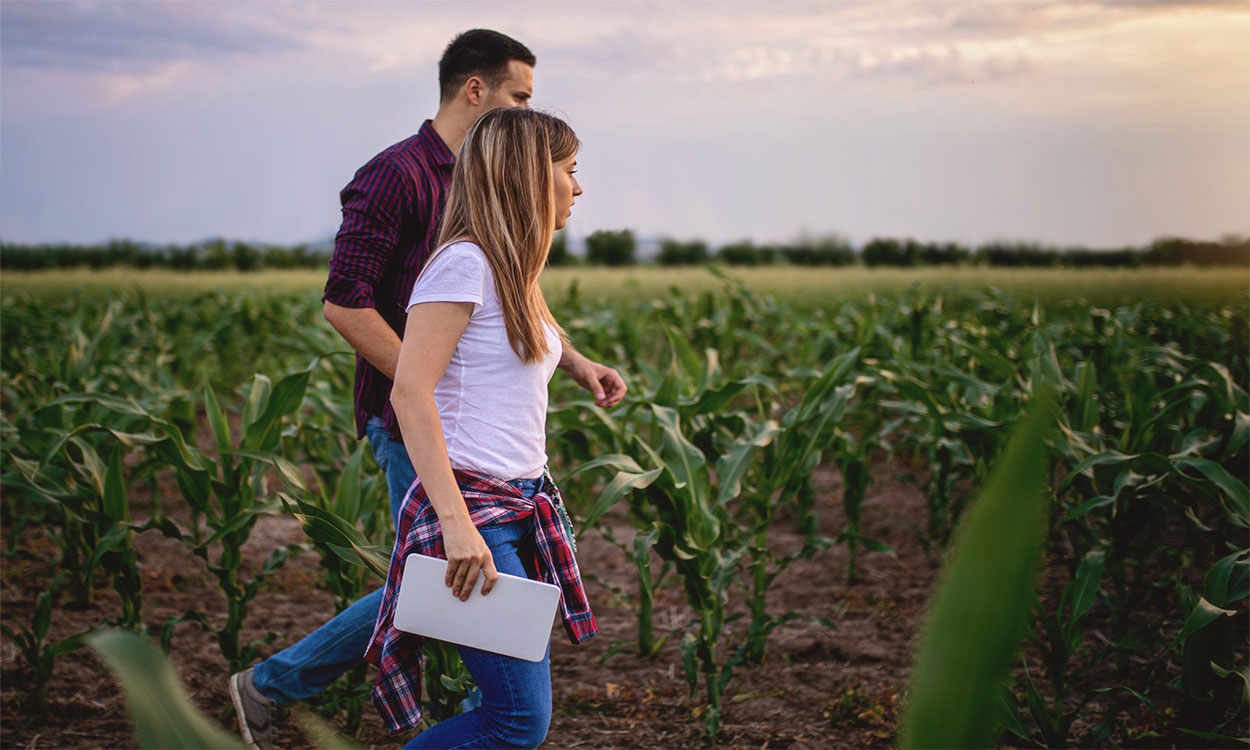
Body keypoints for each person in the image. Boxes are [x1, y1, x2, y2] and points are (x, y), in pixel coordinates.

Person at [229, 30, 625, 750]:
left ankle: (284, 685)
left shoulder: (506, 255)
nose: (579, 184)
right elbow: (350, 307)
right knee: (457, 626)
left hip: (499, 485)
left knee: (444, 612)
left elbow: (519, 312)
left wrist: (575, 361)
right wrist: (432, 391)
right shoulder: (403, 185)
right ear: (478, 94)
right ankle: (273, 685)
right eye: (519, 99)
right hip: (443, 456)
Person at [367, 105, 597, 750]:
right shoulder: (463, 265)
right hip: (477, 515)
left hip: (520, 506)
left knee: (512, 714)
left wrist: (579, 363)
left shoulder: (510, 270)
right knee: (515, 723)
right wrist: (457, 526)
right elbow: (410, 391)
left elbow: (510, 352)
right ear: (527, 176)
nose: (578, 188)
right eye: (569, 171)